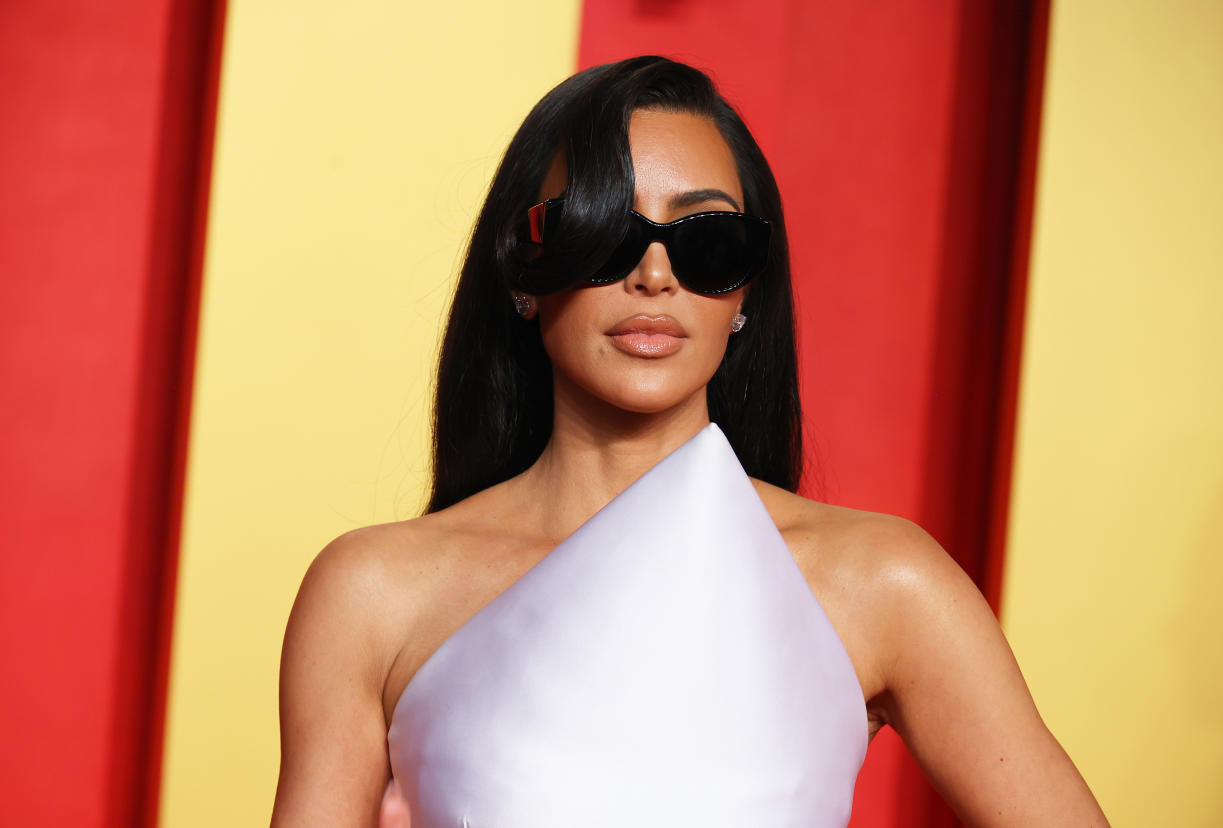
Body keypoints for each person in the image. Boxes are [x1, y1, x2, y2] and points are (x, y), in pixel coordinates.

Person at [271, 56, 1108, 827]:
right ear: (525, 272)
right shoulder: (374, 593)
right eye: (603, 230)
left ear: (745, 290)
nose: (656, 275)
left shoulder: (879, 581)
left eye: (707, 242)